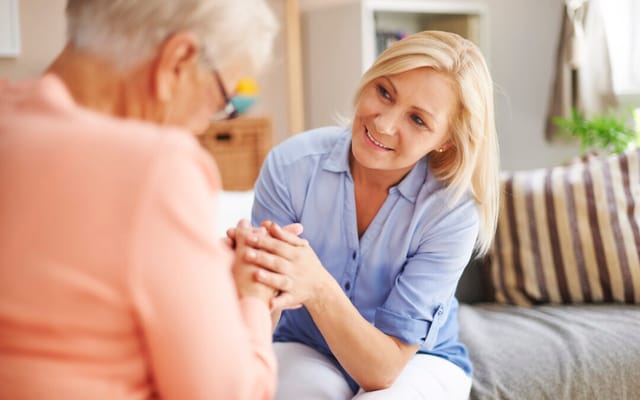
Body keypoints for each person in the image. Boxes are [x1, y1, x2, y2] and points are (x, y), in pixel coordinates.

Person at [0, 1, 280, 399]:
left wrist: (202, 268)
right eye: (220, 102)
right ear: (178, 60)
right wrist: (252, 298)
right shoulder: (159, 167)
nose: (204, 125)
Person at [234, 30, 500, 399]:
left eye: (418, 120)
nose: (384, 124)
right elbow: (259, 317)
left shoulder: (451, 211)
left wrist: (315, 284)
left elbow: (384, 370)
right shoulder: (290, 166)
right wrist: (247, 281)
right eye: (385, 92)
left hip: (418, 361)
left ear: (446, 140)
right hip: (304, 344)